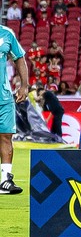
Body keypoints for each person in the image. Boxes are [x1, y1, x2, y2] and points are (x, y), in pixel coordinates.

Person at [1, 24, 30, 194]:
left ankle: (5, 181)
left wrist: (24, 86)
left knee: (6, 136)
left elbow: (19, 58)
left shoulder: (6, 33)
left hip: (3, 97)